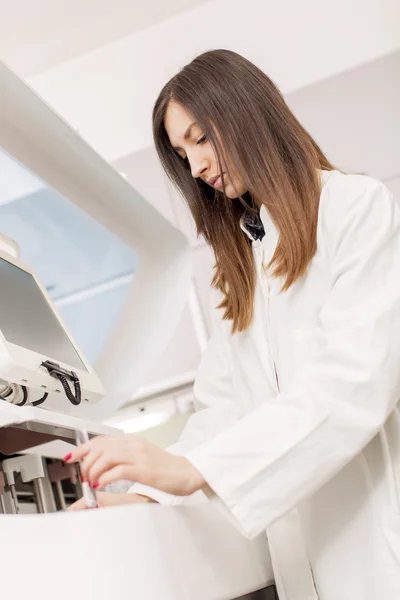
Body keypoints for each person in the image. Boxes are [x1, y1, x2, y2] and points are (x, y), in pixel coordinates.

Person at [66, 50, 400, 600]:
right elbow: (222, 410)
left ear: (246, 112)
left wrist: (197, 470)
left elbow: (353, 385)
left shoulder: (355, 208)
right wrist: (153, 492)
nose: (195, 167)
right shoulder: (246, 263)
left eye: (200, 138)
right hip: (302, 566)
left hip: (374, 553)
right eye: (181, 152)